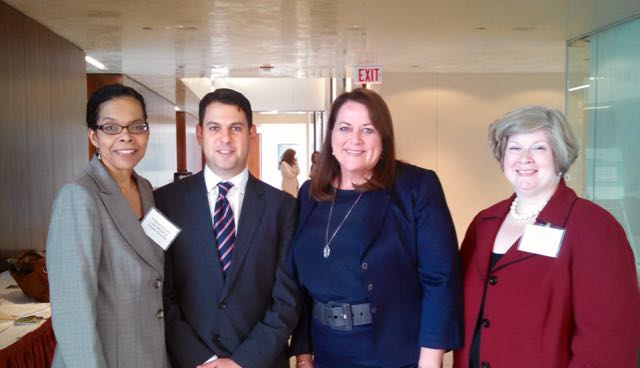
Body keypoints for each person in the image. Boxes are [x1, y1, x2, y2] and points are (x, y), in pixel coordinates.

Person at [454, 106, 640, 368]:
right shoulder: (484, 224)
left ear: (559, 155)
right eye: (515, 147)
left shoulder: (594, 228)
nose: (524, 158)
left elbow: (609, 340)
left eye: (539, 148)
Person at [290, 88, 462, 368]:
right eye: (344, 128)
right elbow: (298, 284)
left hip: (392, 353)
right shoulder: (310, 193)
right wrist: (304, 354)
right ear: (331, 135)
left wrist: (430, 360)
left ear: (384, 137)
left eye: (367, 130)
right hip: (326, 351)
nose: (354, 140)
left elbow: (440, 278)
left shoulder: (415, 187)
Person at [154, 88, 300, 368]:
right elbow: (160, 293)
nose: (225, 139)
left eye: (236, 128)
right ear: (199, 134)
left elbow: (287, 299)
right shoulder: (164, 203)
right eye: (214, 128)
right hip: (190, 361)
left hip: (261, 362)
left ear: (251, 134)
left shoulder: (283, 208)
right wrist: (202, 359)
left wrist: (241, 362)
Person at [46, 84, 169, 367]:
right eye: (111, 128)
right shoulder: (78, 196)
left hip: (148, 351)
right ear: (94, 136)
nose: (126, 137)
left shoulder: (145, 189)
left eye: (137, 126)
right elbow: (72, 310)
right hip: (107, 358)